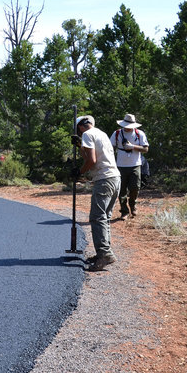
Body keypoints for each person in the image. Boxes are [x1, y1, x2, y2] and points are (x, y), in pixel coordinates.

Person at [72, 115, 121, 272]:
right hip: (115, 178)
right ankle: (103, 253)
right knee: (104, 218)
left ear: (80, 126)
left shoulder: (87, 134)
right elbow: (90, 156)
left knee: (97, 217)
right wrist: (80, 146)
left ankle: (105, 254)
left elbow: (91, 161)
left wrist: (78, 172)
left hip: (104, 179)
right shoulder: (101, 133)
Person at [110, 113, 149, 220]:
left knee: (135, 187)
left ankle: (133, 205)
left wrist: (133, 147)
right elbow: (110, 148)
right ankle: (124, 211)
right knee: (121, 190)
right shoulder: (117, 134)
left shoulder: (139, 134)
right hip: (120, 165)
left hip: (135, 164)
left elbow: (145, 149)